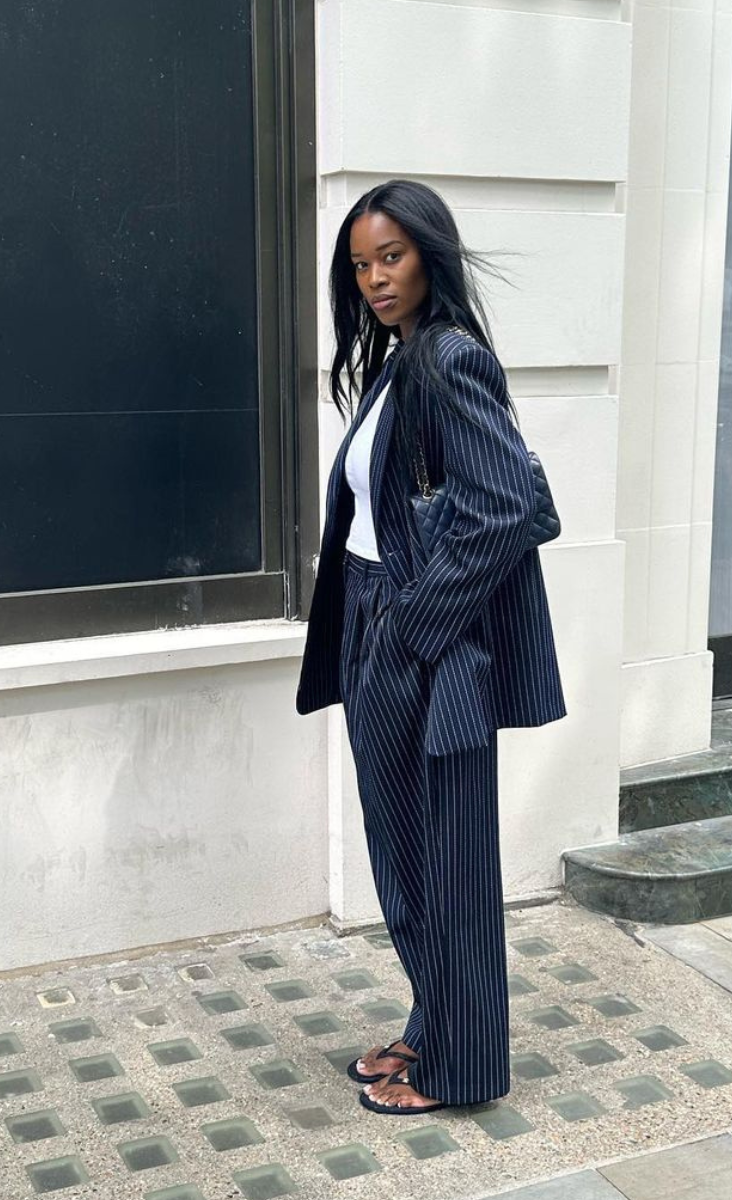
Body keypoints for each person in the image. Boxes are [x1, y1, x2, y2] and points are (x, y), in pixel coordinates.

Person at [295, 179, 567, 1114]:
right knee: (405, 853)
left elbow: (504, 512)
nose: (374, 279)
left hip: (426, 640)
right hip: (382, 625)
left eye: (391, 258)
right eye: (361, 264)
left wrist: (412, 626)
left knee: (444, 861)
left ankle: (465, 1070)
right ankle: (432, 1026)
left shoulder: (447, 358)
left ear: (431, 255)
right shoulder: (399, 359)